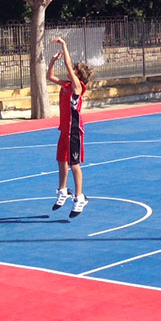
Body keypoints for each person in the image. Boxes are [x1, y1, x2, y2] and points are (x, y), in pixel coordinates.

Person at [47, 37, 94, 217]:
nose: (70, 71)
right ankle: (63, 190)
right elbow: (50, 77)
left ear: (78, 76)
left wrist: (64, 44)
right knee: (61, 160)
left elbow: (67, 64)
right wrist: (52, 61)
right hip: (64, 129)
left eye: (74, 70)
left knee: (74, 164)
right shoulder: (66, 85)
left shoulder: (77, 86)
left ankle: (80, 197)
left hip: (74, 130)